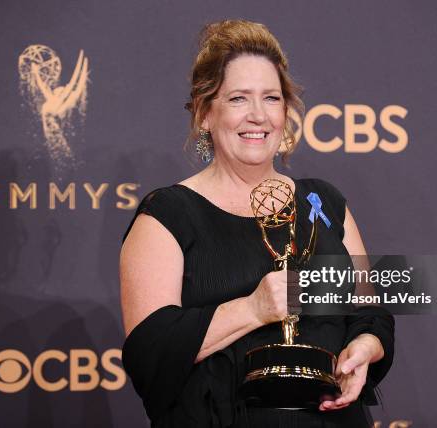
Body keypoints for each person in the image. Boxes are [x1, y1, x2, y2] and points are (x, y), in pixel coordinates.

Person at [120, 19, 394, 427]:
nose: (257, 116)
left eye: (270, 98)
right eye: (237, 99)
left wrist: (365, 347)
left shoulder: (323, 203)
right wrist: (252, 308)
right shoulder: (168, 214)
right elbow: (149, 354)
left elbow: (370, 311)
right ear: (204, 114)